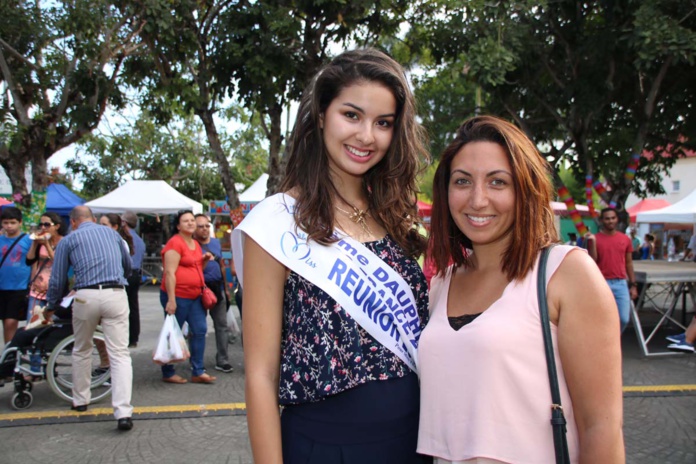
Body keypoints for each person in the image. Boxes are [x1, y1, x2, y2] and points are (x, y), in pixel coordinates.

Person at [232, 48, 431, 463]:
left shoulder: (396, 219)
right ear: (321, 114)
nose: (366, 136)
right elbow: (260, 375)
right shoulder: (277, 221)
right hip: (326, 447)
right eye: (352, 115)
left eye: (383, 123)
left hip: (416, 441)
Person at [417, 116, 624, 463]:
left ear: (525, 189)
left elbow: (601, 428)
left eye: (497, 182)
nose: (477, 200)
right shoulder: (442, 284)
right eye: (462, 181)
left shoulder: (566, 272)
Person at [45, 206, 134, 431]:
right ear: (93, 219)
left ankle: (81, 400)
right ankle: (123, 412)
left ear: (73, 222)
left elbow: (57, 278)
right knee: (120, 353)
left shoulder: (68, 240)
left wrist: (52, 305)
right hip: (115, 293)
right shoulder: (113, 234)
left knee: (82, 348)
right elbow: (128, 266)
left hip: (85, 295)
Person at [160, 210, 216, 385]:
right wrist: (171, 300)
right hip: (178, 295)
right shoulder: (174, 244)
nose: (191, 223)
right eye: (186, 221)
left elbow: (197, 268)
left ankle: (198, 370)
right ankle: (168, 371)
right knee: (173, 333)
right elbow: (169, 272)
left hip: (195, 296)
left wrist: (205, 259)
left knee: (200, 330)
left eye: (192, 220)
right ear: (178, 226)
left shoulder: (194, 243)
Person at [585, 208, 638, 332]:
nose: (610, 221)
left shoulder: (625, 239)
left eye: (613, 218)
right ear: (602, 220)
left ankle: (611, 342)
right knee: (601, 318)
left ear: (617, 219)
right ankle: (605, 345)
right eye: (607, 218)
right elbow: (592, 261)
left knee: (624, 318)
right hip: (602, 283)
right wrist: (592, 243)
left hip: (620, 283)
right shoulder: (595, 238)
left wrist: (633, 284)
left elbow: (629, 263)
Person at [193, 213, 233, 373]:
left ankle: (222, 360)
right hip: (199, 289)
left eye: (206, 226)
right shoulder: (192, 245)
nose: (204, 229)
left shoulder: (216, 243)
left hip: (217, 288)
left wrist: (226, 289)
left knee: (222, 326)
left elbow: (222, 266)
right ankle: (196, 362)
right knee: (198, 327)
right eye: (200, 226)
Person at [25, 212, 67, 326]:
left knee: (51, 325)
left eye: (47, 224)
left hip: (56, 292)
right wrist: (35, 243)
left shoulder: (65, 242)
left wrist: (47, 245)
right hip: (37, 290)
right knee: (32, 325)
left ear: (57, 226)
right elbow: (29, 260)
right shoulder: (40, 241)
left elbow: (59, 263)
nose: (43, 227)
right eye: (41, 224)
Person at [0, 207, 33, 343]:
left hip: (19, 287)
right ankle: (9, 353)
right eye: (6, 222)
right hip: (2, 287)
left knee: (11, 322)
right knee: (5, 323)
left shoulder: (28, 240)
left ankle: (10, 355)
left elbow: (34, 263)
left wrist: (32, 282)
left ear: (20, 222)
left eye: (12, 222)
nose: (9, 226)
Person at [121, 211, 146, 347]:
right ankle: (134, 337)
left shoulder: (126, 239)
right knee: (133, 306)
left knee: (124, 307)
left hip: (127, 274)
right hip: (136, 274)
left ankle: (128, 336)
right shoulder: (140, 240)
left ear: (124, 223)